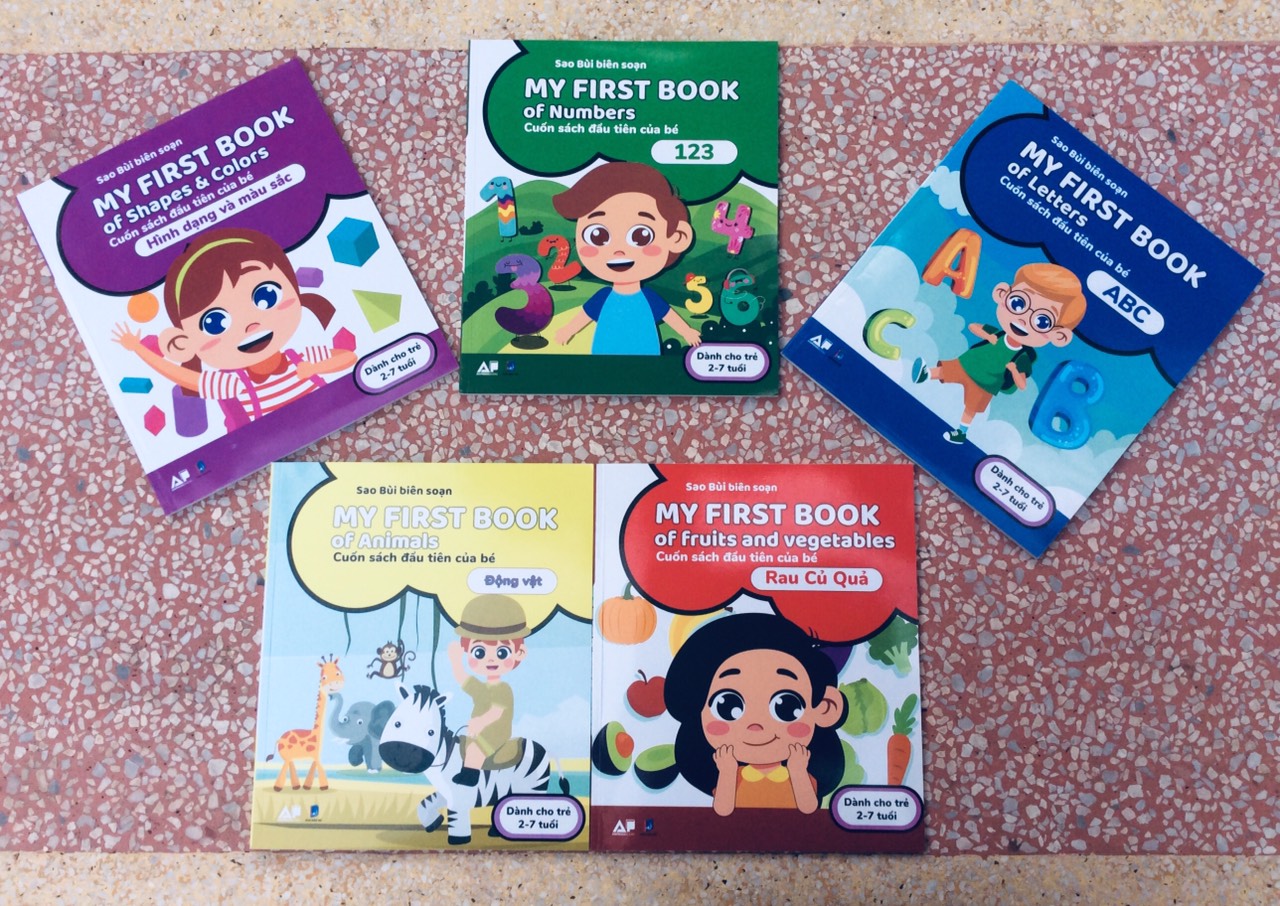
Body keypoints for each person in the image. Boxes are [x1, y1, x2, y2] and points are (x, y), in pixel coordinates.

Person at [112, 227, 354, 427]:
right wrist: (138, 348)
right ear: (184, 342)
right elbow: (184, 377)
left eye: (266, 296)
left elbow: (348, 357)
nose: (250, 324)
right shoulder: (234, 383)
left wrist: (315, 368)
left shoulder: (300, 357)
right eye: (215, 323)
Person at [665, 613, 846, 815]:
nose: (756, 725)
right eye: (727, 706)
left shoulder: (798, 773)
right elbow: (723, 810)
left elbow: (808, 808)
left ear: (825, 708)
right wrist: (727, 771)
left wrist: (797, 770)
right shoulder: (734, 777)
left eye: (786, 707)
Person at [911, 261, 1086, 444]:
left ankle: (961, 432)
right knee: (946, 370)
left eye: (1042, 321)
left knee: (971, 408)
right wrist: (988, 335)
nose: (1023, 319)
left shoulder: (1023, 357)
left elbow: (1022, 384)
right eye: (1018, 303)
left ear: (1059, 336)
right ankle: (926, 374)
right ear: (1002, 294)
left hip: (986, 383)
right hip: (968, 364)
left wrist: (1014, 370)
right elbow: (974, 327)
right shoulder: (999, 333)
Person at [551, 162, 703, 354]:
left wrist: (686, 331)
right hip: (606, 353)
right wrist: (568, 330)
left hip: (644, 353)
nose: (618, 251)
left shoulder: (648, 298)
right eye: (598, 235)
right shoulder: (603, 297)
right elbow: (585, 315)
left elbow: (668, 315)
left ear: (677, 238)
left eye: (641, 236)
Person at [447, 594, 530, 786]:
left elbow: (496, 712)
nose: (491, 659)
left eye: (502, 653)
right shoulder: (482, 688)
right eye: (480, 652)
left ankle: (470, 778)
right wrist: (455, 660)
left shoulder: (503, 689)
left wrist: (479, 722)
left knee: (475, 750)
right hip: (479, 731)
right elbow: (463, 678)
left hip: (496, 733)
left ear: (519, 653)